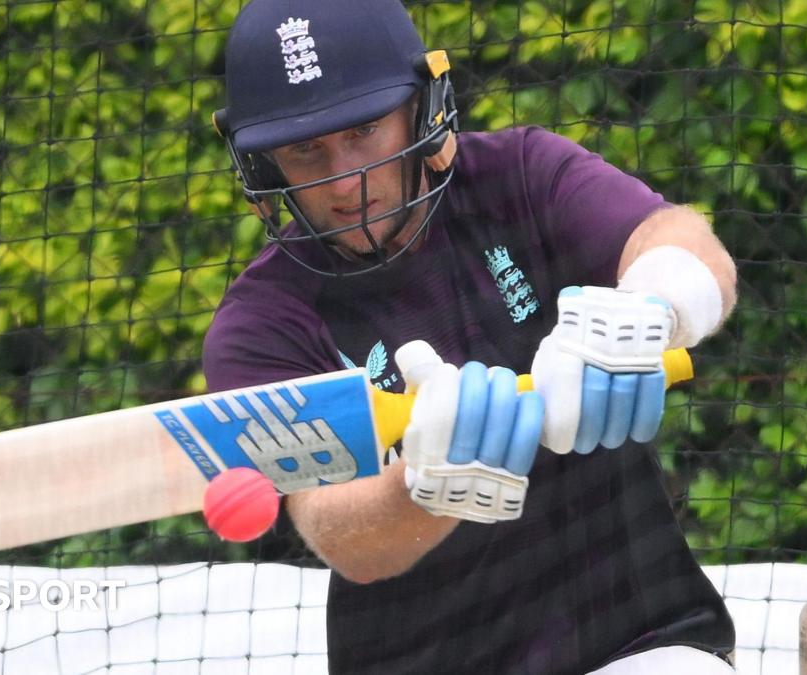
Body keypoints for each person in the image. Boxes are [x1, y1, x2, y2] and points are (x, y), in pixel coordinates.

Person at [203, 0, 739, 672]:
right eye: (306, 149)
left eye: (365, 129)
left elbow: (688, 244)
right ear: (264, 166)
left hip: (635, 638)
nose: (344, 179)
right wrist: (425, 486)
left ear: (422, 110)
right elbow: (333, 527)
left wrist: (646, 308)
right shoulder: (260, 324)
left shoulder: (519, 173)